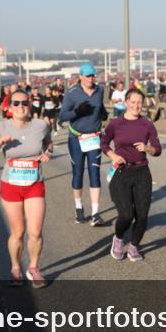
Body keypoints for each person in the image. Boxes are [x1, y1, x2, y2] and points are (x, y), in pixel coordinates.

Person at [0, 89, 53, 288]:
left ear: (30, 105)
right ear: (9, 106)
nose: (20, 106)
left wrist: (47, 152)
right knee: (18, 231)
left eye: (24, 103)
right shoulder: (2, 127)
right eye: (16, 103)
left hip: (34, 184)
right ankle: (15, 268)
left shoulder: (40, 125)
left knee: (36, 231)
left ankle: (33, 268)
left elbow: (49, 143)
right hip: (11, 186)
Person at [101, 88, 161, 262]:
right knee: (126, 215)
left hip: (142, 172)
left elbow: (157, 149)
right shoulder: (115, 123)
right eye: (133, 102)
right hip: (121, 172)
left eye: (139, 103)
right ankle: (118, 239)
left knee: (142, 215)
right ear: (126, 102)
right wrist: (113, 155)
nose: (136, 106)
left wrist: (148, 148)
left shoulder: (147, 124)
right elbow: (103, 143)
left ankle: (134, 246)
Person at [59, 63, 108, 225]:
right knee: (78, 173)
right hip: (76, 138)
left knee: (95, 173)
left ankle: (95, 213)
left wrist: (103, 114)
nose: (91, 78)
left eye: (93, 75)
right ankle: (79, 208)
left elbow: (100, 109)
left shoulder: (100, 90)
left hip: (94, 138)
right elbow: (62, 116)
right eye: (87, 76)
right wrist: (77, 112)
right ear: (80, 76)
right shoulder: (72, 93)